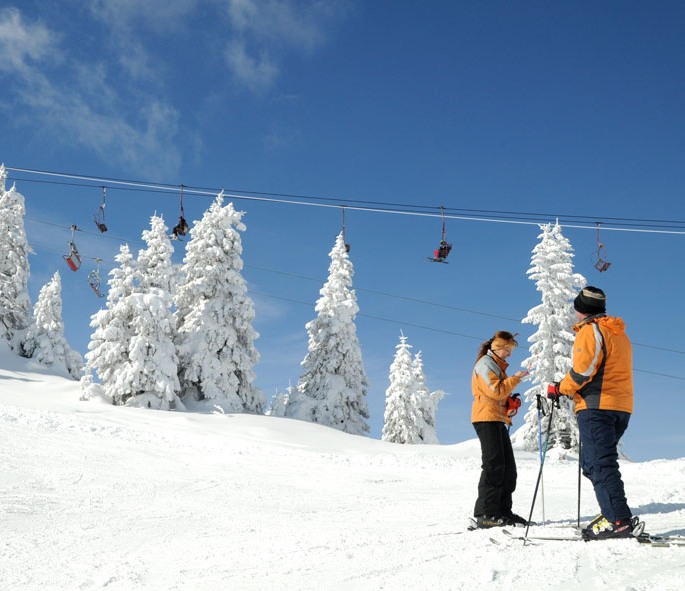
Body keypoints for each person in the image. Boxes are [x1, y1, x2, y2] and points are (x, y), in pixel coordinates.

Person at [547, 286, 637, 540]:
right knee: (591, 463)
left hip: (597, 406)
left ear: (581, 309)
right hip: (620, 405)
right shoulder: (617, 333)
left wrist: (559, 388)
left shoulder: (591, 330)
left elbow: (583, 371)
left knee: (599, 463)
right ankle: (612, 514)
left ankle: (617, 520)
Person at [471, 331, 530, 528]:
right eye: (507, 349)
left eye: (511, 350)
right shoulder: (485, 364)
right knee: (494, 465)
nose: (509, 354)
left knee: (508, 468)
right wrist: (515, 379)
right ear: (497, 348)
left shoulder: (496, 366)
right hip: (486, 419)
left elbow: (498, 394)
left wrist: (509, 405)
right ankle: (485, 513)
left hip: (496, 419)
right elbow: (495, 391)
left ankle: (503, 511)